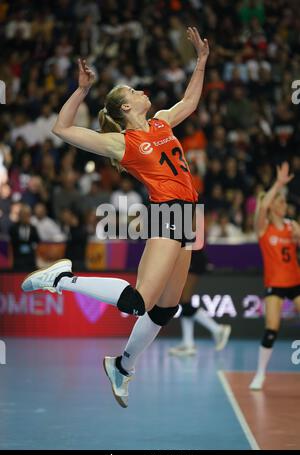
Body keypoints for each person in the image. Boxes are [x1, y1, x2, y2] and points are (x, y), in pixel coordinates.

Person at [21, 27, 209, 408]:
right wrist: (82, 91)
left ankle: (122, 366)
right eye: (134, 92)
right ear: (125, 107)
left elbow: (189, 101)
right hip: (168, 212)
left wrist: (201, 62)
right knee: (139, 301)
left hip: (189, 216)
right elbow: (62, 129)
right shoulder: (122, 142)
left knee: (164, 309)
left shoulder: (160, 121)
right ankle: (62, 278)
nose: (144, 92)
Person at [250, 162, 300, 390]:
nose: (284, 204)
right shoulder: (263, 228)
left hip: (296, 282)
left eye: (284, 201)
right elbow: (262, 208)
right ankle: (260, 373)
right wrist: (278, 184)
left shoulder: (292, 226)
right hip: (275, 285)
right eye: (280, 201)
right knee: (272, 327)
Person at [169, 248, 231, 356]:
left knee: (185, 302)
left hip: (193, 257)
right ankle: (188, 343)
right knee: (184, 302)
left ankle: (218, 329)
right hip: (188, 256)